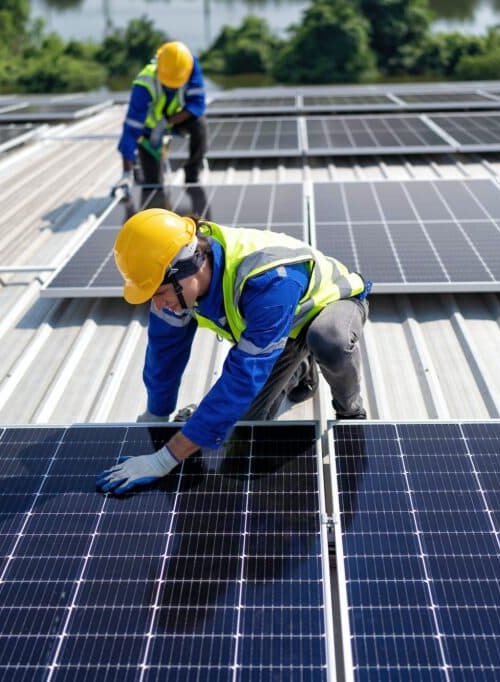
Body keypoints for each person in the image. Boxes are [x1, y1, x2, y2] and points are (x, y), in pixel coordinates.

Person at [97, 208, 371, 495]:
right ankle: (301, 370)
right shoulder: (174, 288)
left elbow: (241, 377)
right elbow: (164, 356)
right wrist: (156, 416)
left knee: (329, 340)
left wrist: (165, 459)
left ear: (189, 267)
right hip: (277, 332)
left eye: (159, 293)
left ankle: (351, 412)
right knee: (247, 425)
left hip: (329, 305)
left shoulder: (269, 282)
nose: (158, 304)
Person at [115, 41, 208, 194]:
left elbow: (197, 105)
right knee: (154, 185)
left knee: (200, 124)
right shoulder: (144, 84)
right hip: (149, 130)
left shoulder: (189, 66)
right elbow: (132, 128)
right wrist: (126, 173)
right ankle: (138, 170)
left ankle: (192, 176)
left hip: (177, 119)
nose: (172, 86)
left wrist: (166, 122)